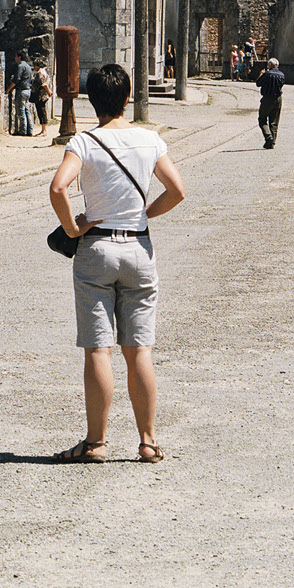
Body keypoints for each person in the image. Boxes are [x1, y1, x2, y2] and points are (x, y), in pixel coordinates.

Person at [47, 62, 188, 463]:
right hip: (139, 249)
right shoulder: (150, 140)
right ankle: (147, 441)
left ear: (94, 102)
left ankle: (95, 443)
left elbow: (58, 187)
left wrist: (72, 227)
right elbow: (177, 190)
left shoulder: (84, 143)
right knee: (139, 349)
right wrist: (144, 213)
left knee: (98, 350)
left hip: (97, 249)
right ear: (127, 98)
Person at [255, 55, 287, 148]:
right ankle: (272, 143)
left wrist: (261, 74)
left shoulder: (267, 74)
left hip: (267, 98)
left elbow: (258, 83)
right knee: (274, 121)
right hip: (278, 98)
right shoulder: (282, 74)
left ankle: (268, 137)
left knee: (262, 119)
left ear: (270, 64)